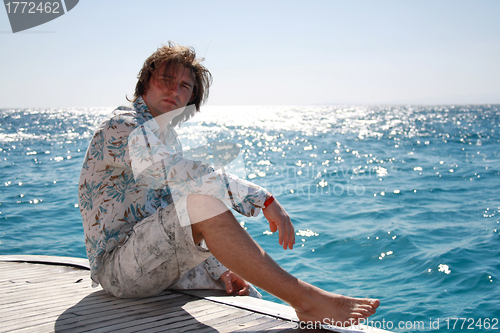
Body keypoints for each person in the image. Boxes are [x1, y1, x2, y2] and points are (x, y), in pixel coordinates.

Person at [78, 42, 380, 327]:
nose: (174, 90)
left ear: (190, 99)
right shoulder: (123, 126)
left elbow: (170, 213)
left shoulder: (165, 138)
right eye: (166, 79)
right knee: (202, 201)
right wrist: (263, 199)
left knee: (247, 294)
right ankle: (307, 299)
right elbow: (184, 176)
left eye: (184, 86)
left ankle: (303, 305)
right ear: (145, 82)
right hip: (119, 269)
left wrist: (220, 269)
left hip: (150, 260)